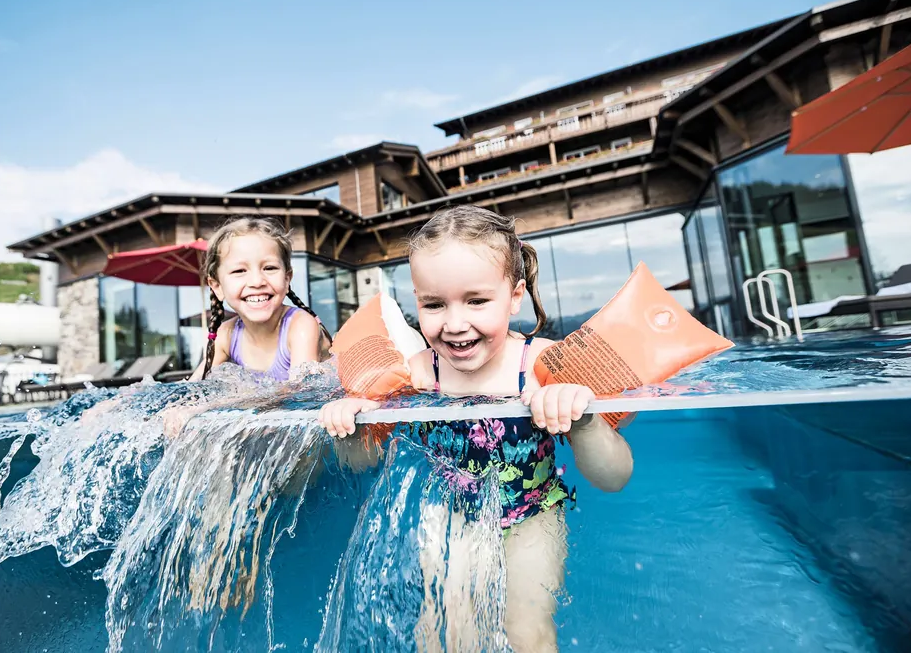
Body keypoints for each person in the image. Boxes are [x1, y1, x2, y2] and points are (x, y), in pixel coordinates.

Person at [318, 205, 634, 652]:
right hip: (450, 516)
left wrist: (580, 420)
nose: (454, 323)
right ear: (417, 301)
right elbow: (361, 463)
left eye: (477, 300)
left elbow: (615, 477)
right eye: (433, 304)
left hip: (531, 517)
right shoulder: (418, 374)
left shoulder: (542, 365)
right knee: (439, 632)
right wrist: (352, 426)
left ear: (515, 295)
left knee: (526, 632)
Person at [162, 217, 331, 438]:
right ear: (217, 286)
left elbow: (300, 393)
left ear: (287, 278)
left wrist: (209, 407)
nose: (256, 281)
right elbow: (192, 389)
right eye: (239, 271)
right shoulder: (226, 335)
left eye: (269, 268)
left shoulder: (299, 325)